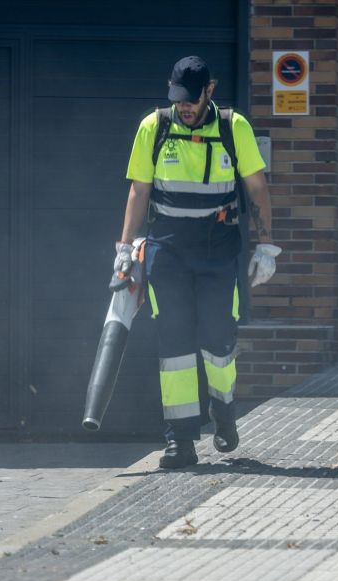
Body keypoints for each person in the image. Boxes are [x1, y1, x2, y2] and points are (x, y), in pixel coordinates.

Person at [114, 55, 280, 468]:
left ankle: (224, 411)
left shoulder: (232, 127)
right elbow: (139, 191)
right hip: (167, 247)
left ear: (210, 90)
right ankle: (180, 441)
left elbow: (257, 189)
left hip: (219, 248)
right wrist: (125, 246)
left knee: (218, 339)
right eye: (178, 98)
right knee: (174, 346)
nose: (184, 107)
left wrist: (266, 246)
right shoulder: (154, 127)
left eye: (192, 99)